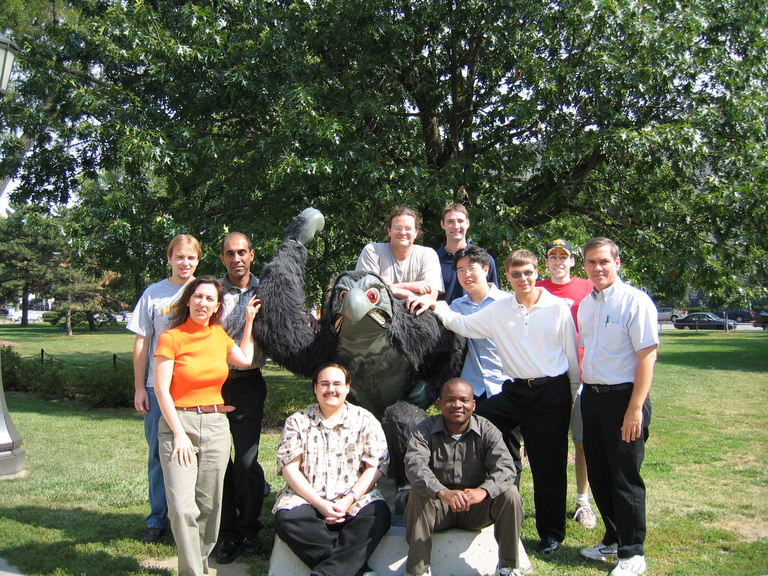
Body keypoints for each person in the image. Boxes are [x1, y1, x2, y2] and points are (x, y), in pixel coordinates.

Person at [410, 249, 579, 555]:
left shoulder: (557, 308)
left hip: (551, 392)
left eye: (528, 273)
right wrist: (436, 304)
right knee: (471, 421)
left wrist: (572, 393)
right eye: (516, 274)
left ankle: (551, 533)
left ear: (536, 272)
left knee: (548, 465)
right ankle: (462, 492)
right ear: (509, 276)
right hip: (513, 392)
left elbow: (570, 355)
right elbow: (463, 324)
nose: (523, 279)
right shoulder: (501, 309)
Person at [154, 276, 260, 576]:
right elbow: (162, 390)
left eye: (209, 299)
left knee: (209, 507)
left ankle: (198, 563)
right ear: (188, 300)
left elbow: (246, 358)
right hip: (179, 423)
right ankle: (193, 572)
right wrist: (178, 434)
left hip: (215, 425)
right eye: (198, 297)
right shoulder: (170, 338)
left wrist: (249, 321)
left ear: (217, 306)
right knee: (181, 507)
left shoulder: (219, 335)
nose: (203, 303)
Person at [577, 237, 658, 576]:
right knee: (599, 473)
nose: (598, 268)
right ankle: (612, 538)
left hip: (624, 400)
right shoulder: (587, 304)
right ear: (585, 266)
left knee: (625, 477)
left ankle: (632, 552)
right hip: (592, 398)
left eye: (604, 262)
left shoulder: (634, 302)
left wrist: (635, 408)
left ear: (617, 263)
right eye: (592, 262)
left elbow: (647, 356)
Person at [272, 364, 391, 576]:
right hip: (308, 497)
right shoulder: (297, 421)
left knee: (377, 516)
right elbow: (290, 468)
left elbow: (376, 465)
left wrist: (348, 500)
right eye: (324, 384)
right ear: (315, 388)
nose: (331, 389)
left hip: (354, 498)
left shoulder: (365, 420)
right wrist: (320, 503)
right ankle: (356, 570)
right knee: (287, 519)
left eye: (337, 384)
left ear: (347, 388)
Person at [403, 378, 524, 576]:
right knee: (416, 493)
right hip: (438, 508)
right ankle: (418, 570)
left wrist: (483, 491)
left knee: (510, 493)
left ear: (473, 405)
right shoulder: (424, 430)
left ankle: (507, 567)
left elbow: (505, 467)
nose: (457, 405)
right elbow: (415, 466)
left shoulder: (487, 429)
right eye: (450, 400)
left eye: (463, 400)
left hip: (476, 507)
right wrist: (441, 492)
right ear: (440, 403)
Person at [127, 234, 201, 543]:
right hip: (158, 390)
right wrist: (139, 388)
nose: (185, 263)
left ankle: (192, 517)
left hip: (194, 389)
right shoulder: (153, 294)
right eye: (179, 257)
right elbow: (142, 342)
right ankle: (157, 519)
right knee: (160, 454)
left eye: (191, 258)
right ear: (169, 258)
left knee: (198, 454)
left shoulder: (205, 291)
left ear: (198, 261)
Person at [215, 232, 269, 563]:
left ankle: (250, 529)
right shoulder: (212, 291)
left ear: (251, 254)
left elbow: (294, 318)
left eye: (242, 252)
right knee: (219, 463)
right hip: (215, 384)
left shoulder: (267, 291)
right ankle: (228, 533)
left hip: (250, 385)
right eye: (229, 253)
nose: (236, 258)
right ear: (222, 258)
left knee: (247, 462)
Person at [447, 246, 523, 482]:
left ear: (486, 270)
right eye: (460, 270)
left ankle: (509, 507)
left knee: (508, 452)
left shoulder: (509, 303)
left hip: (505, 386)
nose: (466, 275)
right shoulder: (457, 307)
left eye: (471, 269)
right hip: (474, 388)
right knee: (474, 451)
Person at [537, 238, 597, 529]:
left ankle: (582, 501)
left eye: (564, 257)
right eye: (553, 257)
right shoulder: (536, 289)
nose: (558, 262)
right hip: (547, 377)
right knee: (547, 444)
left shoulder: (587, 288)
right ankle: (548, 502)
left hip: (582, 377)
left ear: (573, 261)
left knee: (582, 442)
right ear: (545, 262)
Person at [356, 206, 444, 302]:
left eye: (408, 228)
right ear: (389, 231)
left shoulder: (428, 255)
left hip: (416, 314)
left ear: (416, 232)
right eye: (397, 228)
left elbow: (431, 297)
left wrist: (393, 289)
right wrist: (409, 287)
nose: (403, 233)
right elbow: (366, 292)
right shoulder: (372, 251)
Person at [435, 203, 499, 303]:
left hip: (477, 317)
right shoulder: (432, 260)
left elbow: (494, 297)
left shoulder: (484, 259)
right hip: (441, 317)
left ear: (467, 223)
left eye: (460, 221)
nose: (456, 226)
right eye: (450, 221)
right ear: (442, 224)